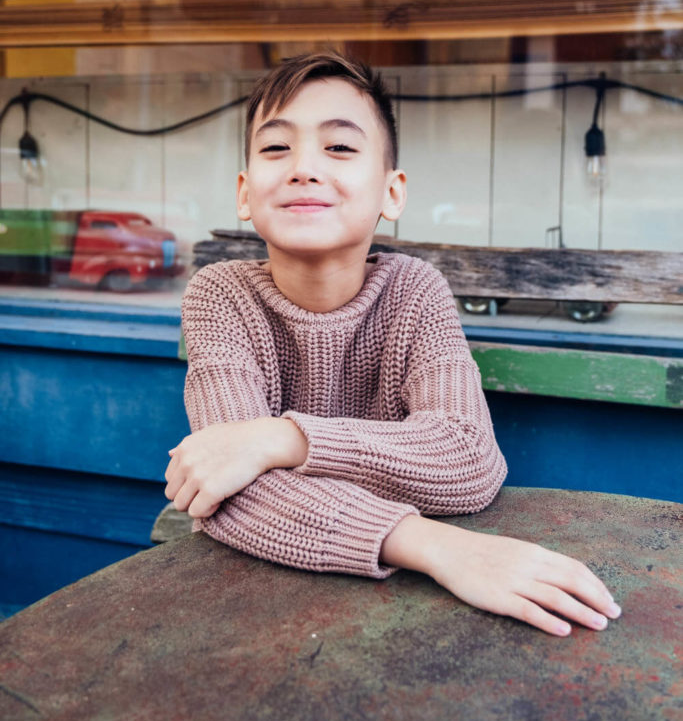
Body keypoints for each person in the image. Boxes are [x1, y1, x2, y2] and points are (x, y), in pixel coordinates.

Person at [165, 50, 622, 637]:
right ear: (245, 193)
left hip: (404, 614)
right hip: (255, 603)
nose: (303, 168)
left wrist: (275, 438)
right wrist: (436, 546)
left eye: (340, 148)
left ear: (392, 192)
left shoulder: (414, 290)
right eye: (276, 148)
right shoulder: (219, 295)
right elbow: (226, 496)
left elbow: (469, 458)